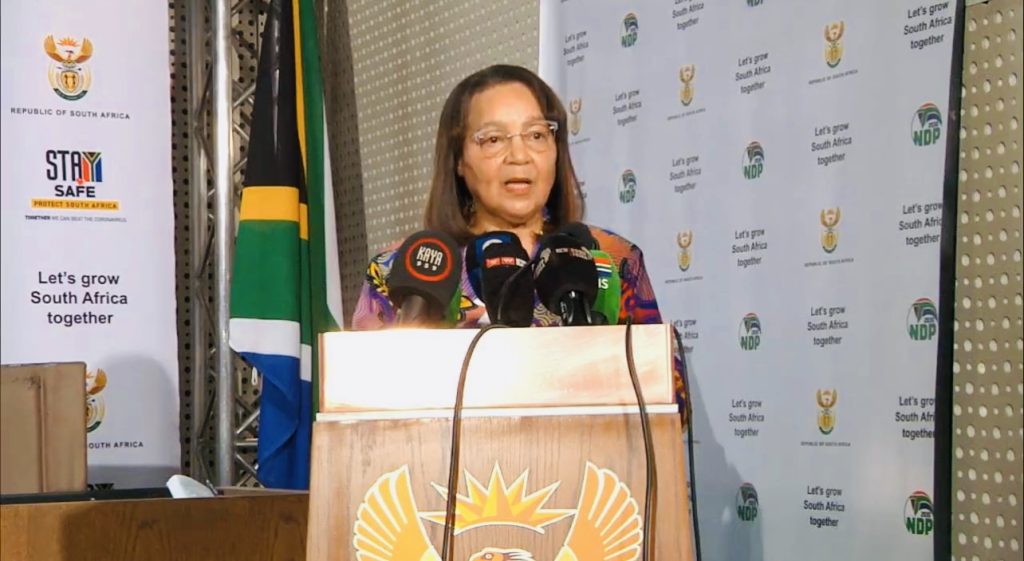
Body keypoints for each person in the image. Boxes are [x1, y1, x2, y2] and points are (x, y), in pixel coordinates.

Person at [351, 64, 663, 330]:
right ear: (458, 159)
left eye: (537, 135)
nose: (519, 156)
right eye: (493, 139)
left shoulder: (613, 258)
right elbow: (364, 381)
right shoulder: (400, 268)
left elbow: (659, 376)